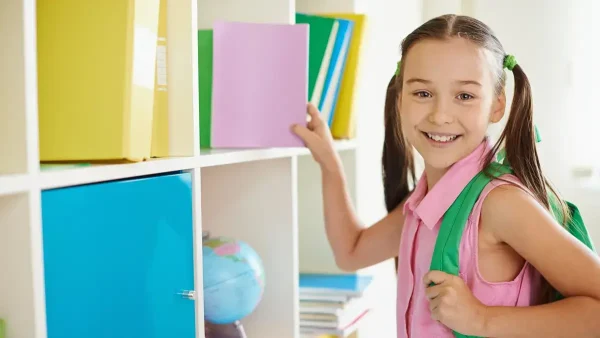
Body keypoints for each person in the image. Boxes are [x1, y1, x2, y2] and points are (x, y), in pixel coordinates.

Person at [292, 14, 600, 338]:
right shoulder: (424, 203)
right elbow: (351, 251)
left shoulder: (501, 204)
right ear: (400, 99)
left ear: (496, 106)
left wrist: (481, 319)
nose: (440, 115)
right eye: (422, 93)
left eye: (464, 96)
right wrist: (329, 161)